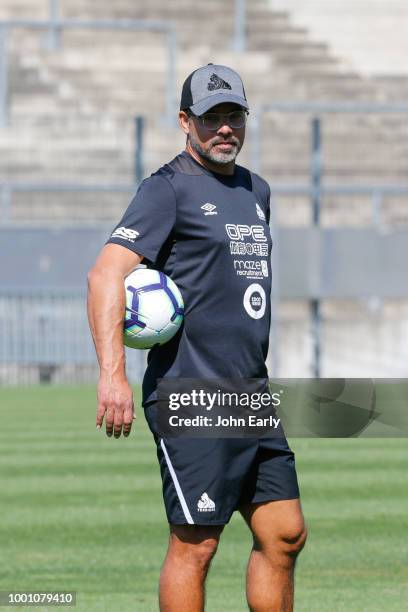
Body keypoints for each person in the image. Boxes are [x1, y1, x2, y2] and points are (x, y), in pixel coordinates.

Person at [87, 63, 307, 612]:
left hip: (250, 394)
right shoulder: (167, 190)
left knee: (285, 533)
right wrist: (111, 375)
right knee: (197, 544)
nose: (224, 128)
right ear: (186, 122)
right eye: (212, 118)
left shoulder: (257, 190)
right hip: (192, 393)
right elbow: (105, 274)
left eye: (234, 115)